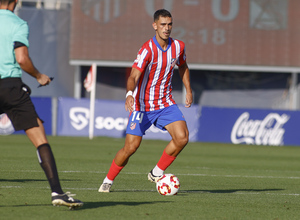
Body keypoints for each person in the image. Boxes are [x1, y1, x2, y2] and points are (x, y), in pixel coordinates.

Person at [99, 9, 193, 192]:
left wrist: (188, 90)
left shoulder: (178, 46)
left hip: (165, 103)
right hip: (142, 106)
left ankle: (157, 172)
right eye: (163, 25)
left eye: (169, 24)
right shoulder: (147, 49)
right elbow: (133, 76)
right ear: (155, 26)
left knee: (182, 138)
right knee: (130, 148)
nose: (167, 28)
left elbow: (183, 66)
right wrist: (129, 95)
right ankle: (108, 180)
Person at [0, 0, 83, 208]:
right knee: (39, 137)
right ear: (16, 1)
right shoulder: (18, 24)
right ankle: (57, 192)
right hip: (9, 86)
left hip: (10, 86)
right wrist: (38, 76)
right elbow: (21, 58)